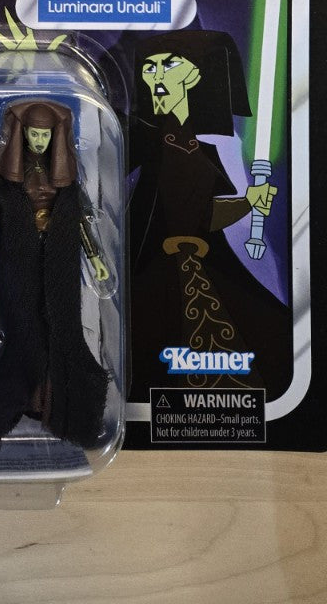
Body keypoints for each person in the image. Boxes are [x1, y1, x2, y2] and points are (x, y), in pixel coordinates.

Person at [127, 31, 291, 396]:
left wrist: (249, 201)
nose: (156, 76)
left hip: (203, 265)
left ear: (194, 74)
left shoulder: (199, 149)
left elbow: (203, 218)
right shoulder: (145, 143)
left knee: (269, 333)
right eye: (150, 68)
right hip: (154, 271)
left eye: (169, 65)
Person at [0, 99, 111, 450]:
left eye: (45, 135)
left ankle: (58, 405)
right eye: (34, 134)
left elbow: (80, 218)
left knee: (63, 327)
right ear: (23, 134)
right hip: (19, 253)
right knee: (23, 326)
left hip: (60, 255)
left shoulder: (66, 176)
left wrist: (95, 258)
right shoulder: (6, 177)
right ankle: (23, 398)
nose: (40, 141)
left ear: (54, 135)